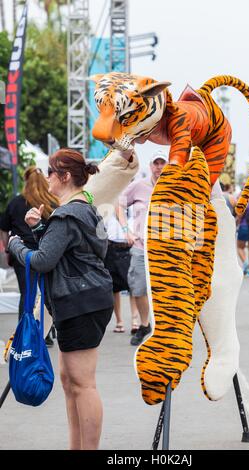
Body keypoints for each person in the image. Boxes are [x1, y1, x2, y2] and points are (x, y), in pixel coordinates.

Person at [8, 149, 114, 450]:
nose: (47, 178)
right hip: (85, 299)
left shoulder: (67, 214)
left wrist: (16, 245)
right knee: (71, 382)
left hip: (81, 302)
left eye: (51, 173)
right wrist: (40, 228)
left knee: (83, 384)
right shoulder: (86, 208)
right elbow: (78, 250)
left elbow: (42, 261)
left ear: (65, 177)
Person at [0, 166, 59, 346]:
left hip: (22, 255)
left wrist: (9, 249)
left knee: (27, 294)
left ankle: (24, 334)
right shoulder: (53, 202)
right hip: (47, 252)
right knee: (48, 292)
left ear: (26, 181)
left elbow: (4, 229)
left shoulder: (16, 202)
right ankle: (47, 332)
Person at [117, 151, 168, 346]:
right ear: (150, 165)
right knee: (138, 289)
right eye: (156, 163)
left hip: (165, 249)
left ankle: (162, 330)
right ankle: (145, 325)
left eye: (162, 163)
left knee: (163, 291)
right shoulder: (139, 186)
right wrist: (126, 230)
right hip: (140, 246)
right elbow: (119, 203)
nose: (159, 167)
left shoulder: (173, 187)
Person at [104, 208, 139, 333]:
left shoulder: (134, 206)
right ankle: (119, 321)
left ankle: (135, 320)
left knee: (133, 286)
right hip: (112, 248)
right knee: (114, 288)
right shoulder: (109, 206)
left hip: (130, 248)